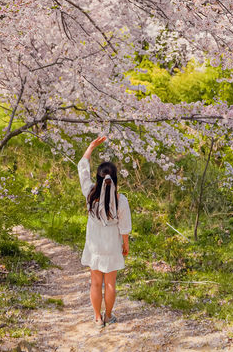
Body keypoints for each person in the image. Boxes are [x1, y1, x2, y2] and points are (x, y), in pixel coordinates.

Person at [77, 136, 132, 327]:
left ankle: (97, 318)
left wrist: (91, 147)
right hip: (111, 245)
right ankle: (108, 315)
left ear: (99, 178)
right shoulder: (120, 199)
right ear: (114, 179)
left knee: (95, 282)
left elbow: (83, 169)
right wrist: (125, 244)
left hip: (94, 244)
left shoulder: (90, 193)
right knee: (110, 284)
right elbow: (124, 226)